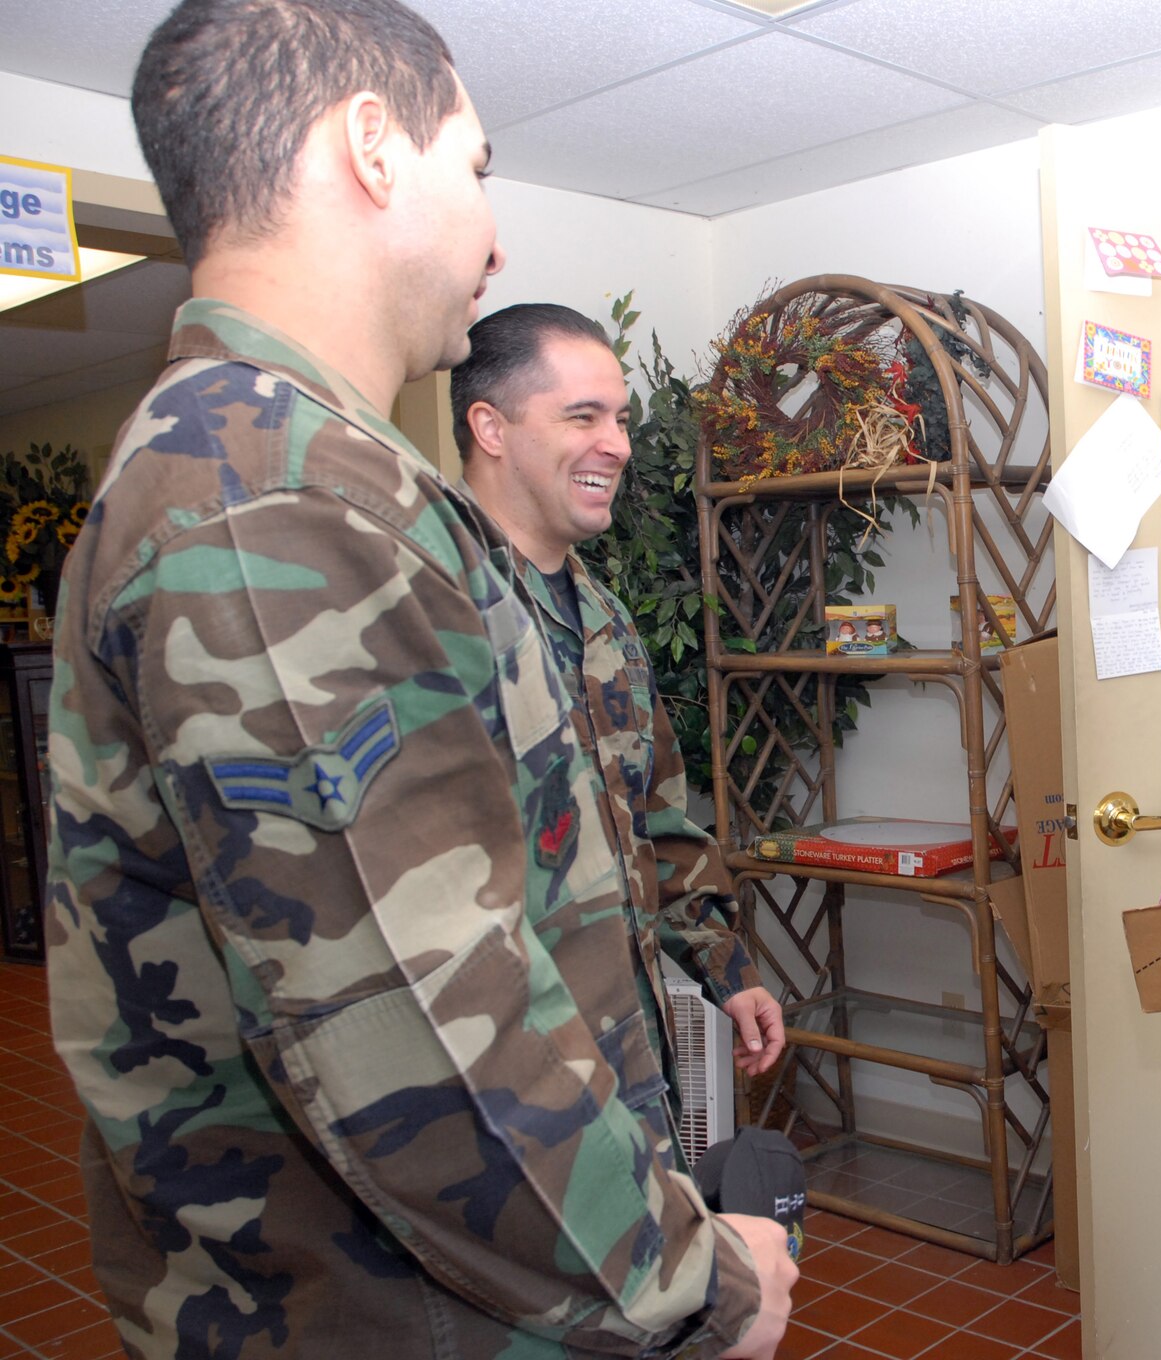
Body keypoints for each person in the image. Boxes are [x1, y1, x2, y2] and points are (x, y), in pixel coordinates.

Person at [41, 2, 792, 1356]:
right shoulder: (269, 498)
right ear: (373, 147)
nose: (495, 239)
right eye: (478, 166)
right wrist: (694, 1283)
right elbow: (417, 1025)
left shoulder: (325, 476)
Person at [449, 302, 785, 1147]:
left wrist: (727, 968)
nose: (619, 445)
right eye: (583, 417)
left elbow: (653, 821)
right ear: (490, 427)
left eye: (622, 420)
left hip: (628, 1063)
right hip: (503, 1090)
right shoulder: (435, 609)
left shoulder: (602, 615)